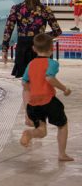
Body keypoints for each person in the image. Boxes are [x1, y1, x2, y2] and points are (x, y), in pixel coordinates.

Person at [19, 33, 73, 161]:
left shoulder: (31, 64)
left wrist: (27, 109)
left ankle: (30, 133)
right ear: (51, 49)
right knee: (62, 125)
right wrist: (64, 89)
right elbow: (49, 77)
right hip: (48, 100)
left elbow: (24, 84)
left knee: (42, 131)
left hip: (33, 103)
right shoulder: (52, 63)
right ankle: (62, 154)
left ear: (34, 49)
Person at [4, 0, 62, 78]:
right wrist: (42, 37)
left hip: (22, 49)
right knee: (41, 80)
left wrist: (4, 49)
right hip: (40, 48)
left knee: (27, 82)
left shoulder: (16, 8)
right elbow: (57, 31)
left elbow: (8, 30)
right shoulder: (45, 10)